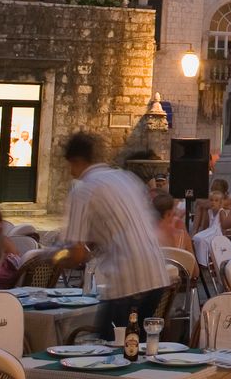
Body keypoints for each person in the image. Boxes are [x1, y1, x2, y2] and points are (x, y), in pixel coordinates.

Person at [57, 131, 169, 324]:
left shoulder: (84, 189)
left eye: (70, 165)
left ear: (75, 161)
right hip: (157, 274)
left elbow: (76, 254)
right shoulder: (125, 178)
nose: (69, 172)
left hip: (127, 279)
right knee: (135, 345)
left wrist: (53, 257)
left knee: (111, 343)